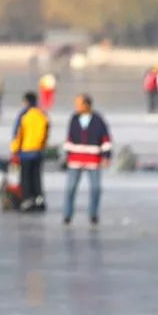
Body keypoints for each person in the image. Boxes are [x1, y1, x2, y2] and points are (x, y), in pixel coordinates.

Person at [62, 94, 111, 226]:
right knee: (70, 188)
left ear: (86, 105)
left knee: (95, 188)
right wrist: (67, 155)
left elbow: (106, 139)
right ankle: (67, 215)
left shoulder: (98, 120)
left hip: (93, 158)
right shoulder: (74, 118)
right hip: (75, 158)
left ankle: (93, 214)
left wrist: (106, 156)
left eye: (79, 104)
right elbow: (69, 137)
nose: (76, 107)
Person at [10, 91, 50, 212]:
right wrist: (42, 146)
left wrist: (14, 150)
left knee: (25, 177)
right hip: (38, 151)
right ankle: (39, 198)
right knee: (37, 176)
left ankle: (27, 199)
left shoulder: (24, 114)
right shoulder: (42, 114)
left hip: (25, 151)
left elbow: (18, 134)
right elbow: (46, 132)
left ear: (26, 101)